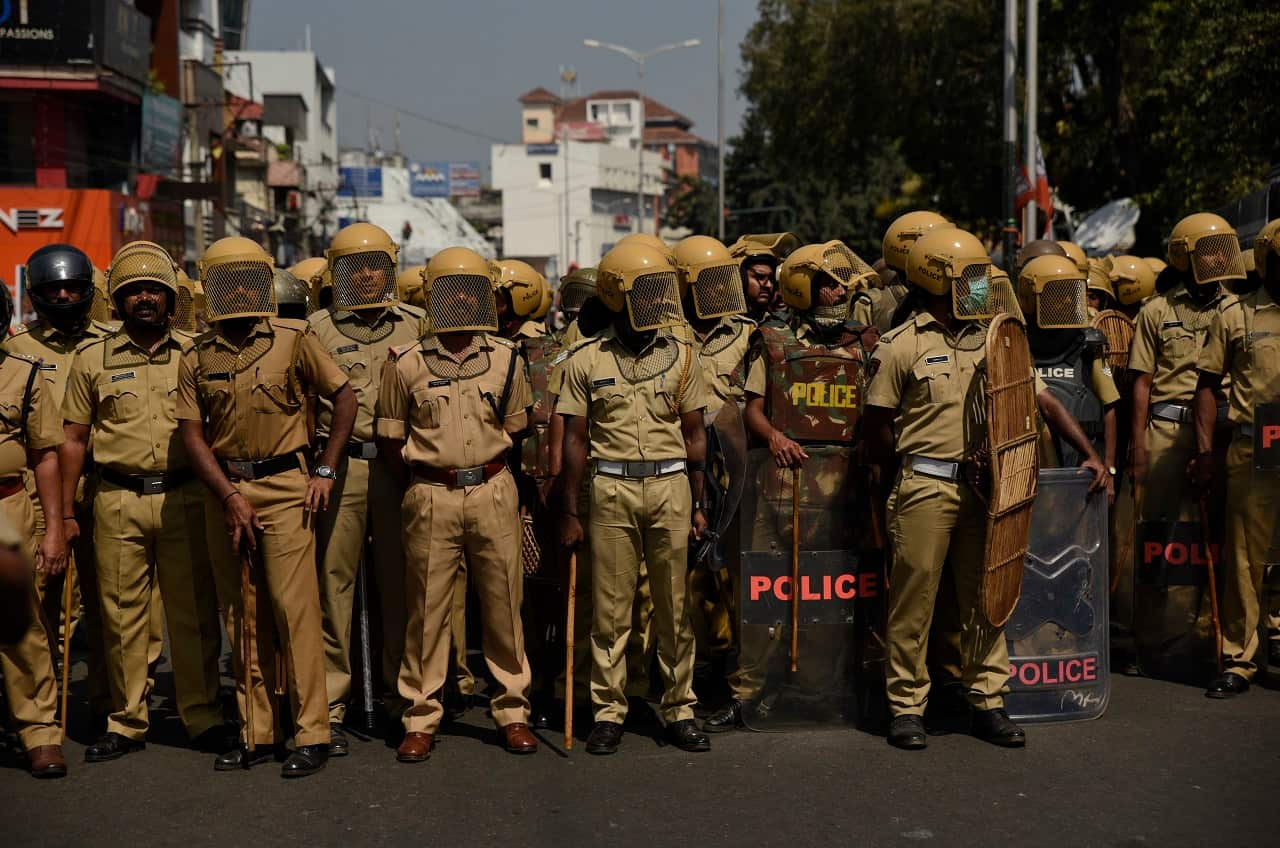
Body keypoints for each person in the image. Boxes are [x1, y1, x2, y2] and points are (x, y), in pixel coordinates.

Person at [863, 227, 1106, 751]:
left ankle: (988, 700)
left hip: (985, 491)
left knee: (988, 597)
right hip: (923, 486)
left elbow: (1043, 401)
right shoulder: (902, 345)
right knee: (915, 601)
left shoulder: (1000, 338)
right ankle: (906, 706)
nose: (980, 288)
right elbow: (878, 425)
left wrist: (1088, 452)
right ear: (935, 282)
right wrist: (903, 467)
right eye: (970, 279)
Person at [177, 236, 357, 778]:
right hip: (225, 491)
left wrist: (325, 468)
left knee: (293, 609)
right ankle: (255, 732)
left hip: (285, 488)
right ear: (210, 286)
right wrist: (229, 497)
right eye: (224, 279)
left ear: (262, 279)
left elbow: (344, 396)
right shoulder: (197, 353)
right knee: (242, 614)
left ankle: (311, 732)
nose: (236, 290)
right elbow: (191, 436)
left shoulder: (293, 338)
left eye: (246, 277)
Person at [60, 241, 230, 762]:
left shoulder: (196, 351)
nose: (146, 299)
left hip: (184, 496)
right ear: (117, 300)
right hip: (116, 499)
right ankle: (126, 720)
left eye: (154, 289)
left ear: (172, 296)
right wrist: (66, 512)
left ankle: (201, 715)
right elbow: (72, 439)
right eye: (134, 291)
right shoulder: (93, 358)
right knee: (119, 614)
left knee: (193, 613)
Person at [375, 246, 537, 763]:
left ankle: (513, 711)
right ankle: (420, 717)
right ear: (432, 296)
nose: (461, 300)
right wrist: (423, 483)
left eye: (472, 291)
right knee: (426, 610)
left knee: (503, 606)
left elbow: (517, 428)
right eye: (450, 290)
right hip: (430, 494)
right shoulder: (405, 363)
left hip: (493, 488)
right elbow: (390, 438)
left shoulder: (507, 359)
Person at [704, 238, 871, 732]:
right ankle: (748, 692)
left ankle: (822, 691)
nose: (836, 291)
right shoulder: (772, 341)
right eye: (825, 283)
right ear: (802, 288)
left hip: (843, 494)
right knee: (764, 596)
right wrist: (774, 436)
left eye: (840, 283)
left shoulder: (864, 343)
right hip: (780, 489)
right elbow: (750, 409)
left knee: (829, 595)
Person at [557, 240, 711, 755]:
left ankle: (680, 708)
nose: (658, 304)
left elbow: (695, 436)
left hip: (671, 487)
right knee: (611, 610)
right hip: (610, 490)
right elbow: (574, 440)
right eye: (645, 293)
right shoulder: (586, 359)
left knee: (674, 606)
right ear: (617, 297)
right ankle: (608, 711)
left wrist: (701, 501)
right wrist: (570, 510)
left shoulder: (684, 355)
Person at [307, 223, 425, 754]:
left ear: (392, 268)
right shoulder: (316, 329)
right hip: (345, 467)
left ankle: (405, 703)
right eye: (356, 267)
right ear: (337, 272)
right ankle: (332, 705)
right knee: (333, 587)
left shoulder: (420, 325)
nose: (369, 274)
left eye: (377, 264)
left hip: (402, 469)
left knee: (401, 587)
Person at [4, 244, 114, 726]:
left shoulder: (112, 340)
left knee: (111, 600)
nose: (65, 296)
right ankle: (45, 703)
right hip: (39, 493)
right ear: (37, 295)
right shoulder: (16, 348)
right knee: (45, 600)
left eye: (73, 288)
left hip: (106, 486)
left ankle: (110, 697)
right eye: (54, 290)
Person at [1192, 217, 1280, 696]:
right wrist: (1205, 453)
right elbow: (1206, 386)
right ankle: (1239, 657)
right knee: (1246, 556)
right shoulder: (1237, 316)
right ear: (1267, 263)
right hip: (1258, 440)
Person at [0, 266, 68, 777]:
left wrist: (53, 528)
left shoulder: (25, 372)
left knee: (21, 626)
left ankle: (40, 733)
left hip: (9, 510)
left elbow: (46, 454)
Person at [1018, 254, 1120, 494]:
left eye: (1069, 291)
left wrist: (1109, 467)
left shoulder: (1088, 343)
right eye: (1056, 292)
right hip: (1030, 468)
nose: (1065, 299)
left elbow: (1110, 407)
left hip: (1083, 469)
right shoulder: (1016, 343)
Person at [728, 233, 799, 325]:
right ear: (738, 277)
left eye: (771, 279)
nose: (768, 285)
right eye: (760, 277)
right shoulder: (720, 325)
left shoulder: (779, 326)